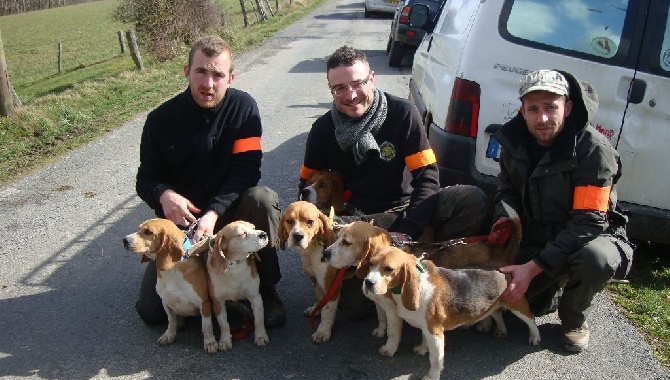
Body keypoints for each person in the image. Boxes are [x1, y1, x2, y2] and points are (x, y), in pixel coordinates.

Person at [300, 45, 488, 317]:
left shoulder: (402, 114)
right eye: (339, 88)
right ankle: (373, 272)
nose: (350, 95)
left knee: (471, 199)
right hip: (356, 222)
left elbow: (427, 176)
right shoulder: (322, 130)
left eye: (357, 83)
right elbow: (304, 193)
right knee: (354, 310)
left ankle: (435, 272)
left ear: (372, 79)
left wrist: (408, 230)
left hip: (404, 210)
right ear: (330, 89)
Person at [135, 35, 285, 328]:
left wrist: (214, 213)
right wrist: (164, 195)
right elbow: (146, 178)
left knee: (262, 198)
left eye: (218, 74)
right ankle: (209, 291)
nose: (208, 83)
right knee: (152, 313)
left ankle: (265, 288)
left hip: (230, 214)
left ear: (230, 78)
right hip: (184, 226)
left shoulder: (243, 109)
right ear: (186, 71)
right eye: (201, 71)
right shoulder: (160, 120)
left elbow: (247, 170)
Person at [493, 69, 634, 352]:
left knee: (597, 259)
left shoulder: (594, 150)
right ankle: (552, 288)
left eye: (550, 107)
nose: (542, 118)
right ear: (523, 111)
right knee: (505, 300)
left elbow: (588, 223)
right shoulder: (513, 143)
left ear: (567, 108)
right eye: (533, 109)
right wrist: (502, 219)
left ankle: (573, 319)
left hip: (588, 237)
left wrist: (532, 269)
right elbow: (506, 191)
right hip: (537, 235)